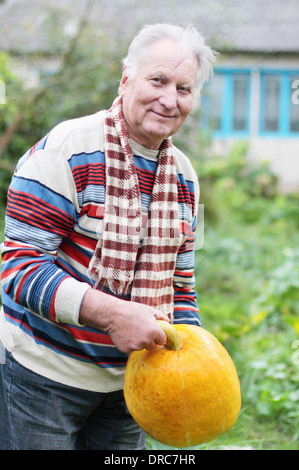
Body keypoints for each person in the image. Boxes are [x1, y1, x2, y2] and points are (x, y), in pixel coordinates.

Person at [0, 23, 216, 450]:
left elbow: (181, 288)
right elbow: (18, 271)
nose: (169, 99)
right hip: (44, 380)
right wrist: (115, 315)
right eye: (158, 80)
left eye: (184, 88)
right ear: (126, 79)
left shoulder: (186, 179)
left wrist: (191, 366)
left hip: (134, 387)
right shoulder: (66, 150)